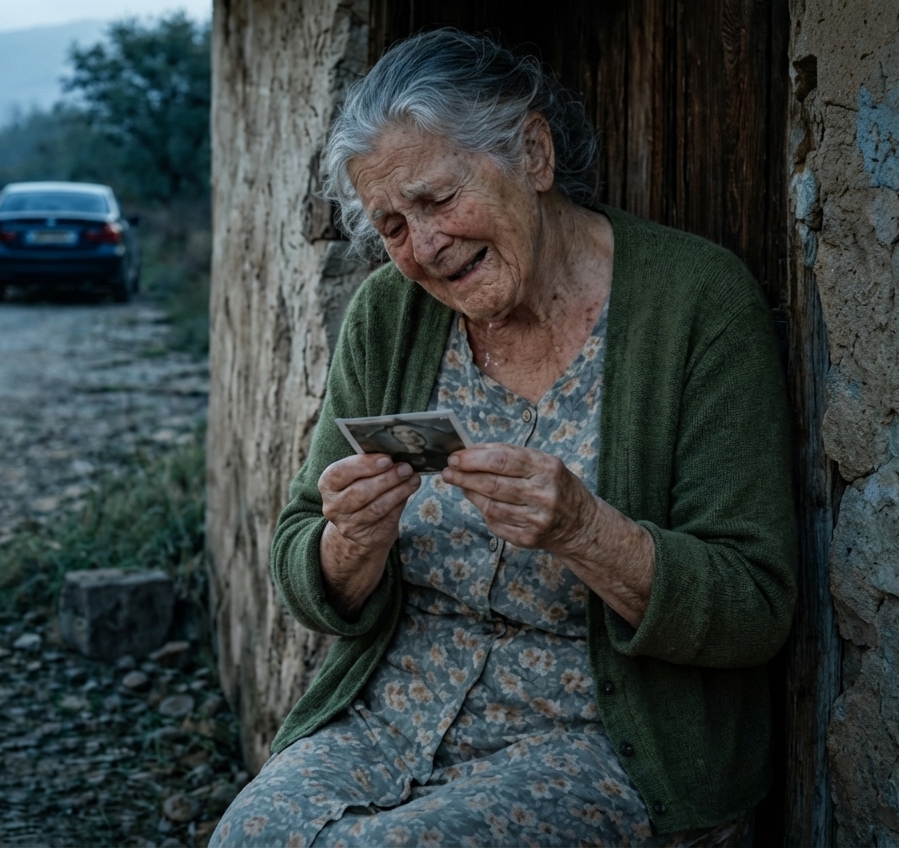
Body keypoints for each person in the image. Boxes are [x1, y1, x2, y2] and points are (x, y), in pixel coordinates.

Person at [213, 29, 796, 848]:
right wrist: (349, 544)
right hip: (390, 718)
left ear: (533, 153)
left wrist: (586, 531)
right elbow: (300, 553)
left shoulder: (697, 304)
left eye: (438, 199)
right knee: (248, 835)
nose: (424, 247)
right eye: (392, 225)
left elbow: (755, 606)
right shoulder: (389, 315)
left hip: (597, 745)